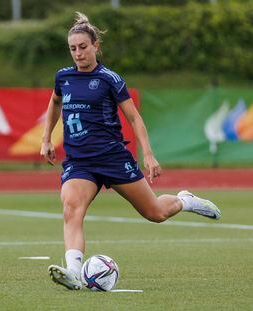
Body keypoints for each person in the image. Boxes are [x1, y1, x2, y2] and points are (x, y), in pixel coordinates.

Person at [40, 12, 221, 291]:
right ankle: (73, 272)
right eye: (73, 48)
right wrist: (46, 138)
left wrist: (148, 155)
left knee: (155, 213)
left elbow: (134, 118)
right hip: (79, 162)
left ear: (96, 45)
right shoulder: (63, 77)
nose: (78, 53)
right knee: (71, 209)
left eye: (83, 47)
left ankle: (184, 200)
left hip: (112, 157)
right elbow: (54, 103)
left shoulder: (109, 79)